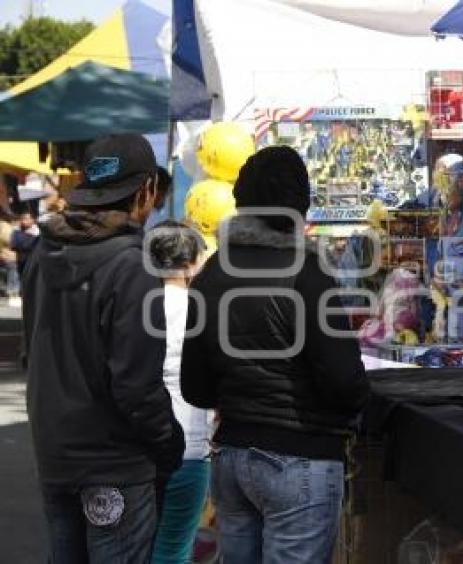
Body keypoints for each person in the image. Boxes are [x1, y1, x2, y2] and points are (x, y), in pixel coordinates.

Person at [181, 145, 369, 564]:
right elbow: (344, 382)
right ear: (300, 209)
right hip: (299, 459)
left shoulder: (213, 273)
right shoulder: (307, 275)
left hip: (232, 456)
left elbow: (195, 386)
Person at [23, 133, 185, 563]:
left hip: (56, 453)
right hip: (114, 464)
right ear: (147, 190)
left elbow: (33, 351)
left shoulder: (43, 251)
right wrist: (169, 441)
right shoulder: (131, 265)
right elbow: (136, 385)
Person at [147, 220, 211, 564]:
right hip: (189, 445)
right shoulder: (201, 307)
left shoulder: (136, 304)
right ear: (190, 262)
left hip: (139, 446)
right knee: (173, 549)